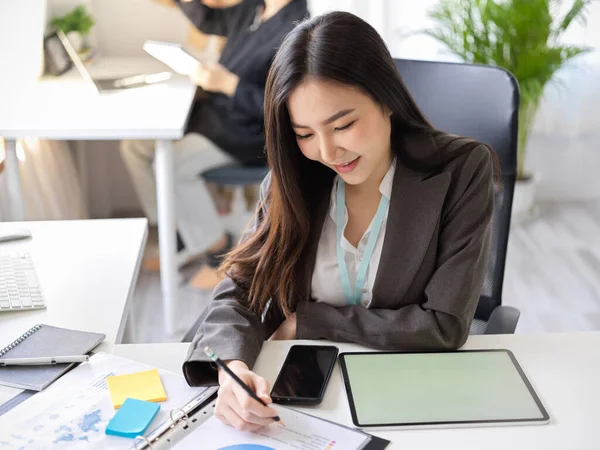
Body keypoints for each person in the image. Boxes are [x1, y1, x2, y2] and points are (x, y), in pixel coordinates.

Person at [182, 11, 496, 431]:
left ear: (386, 99)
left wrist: (308, 320)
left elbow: (444, 325)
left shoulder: (460, 170)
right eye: (305, 133)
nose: (329, 152)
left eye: (343, 125)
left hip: (412, 393)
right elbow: (240, 289)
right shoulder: (295, 175)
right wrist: (232, 369)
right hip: (305, 398)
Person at [120, 0, 309, 285]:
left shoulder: (298, 25)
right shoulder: (254, 8)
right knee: (134, 148)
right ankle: (177, 235)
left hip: (247, 132)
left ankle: (217, 251)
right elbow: (210, 21)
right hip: (216, 115)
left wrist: (228, 84)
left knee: (171, 165)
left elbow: (286, 106)